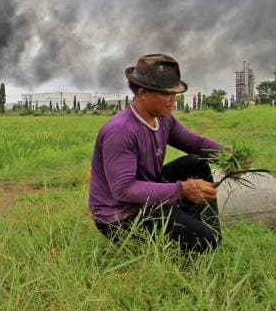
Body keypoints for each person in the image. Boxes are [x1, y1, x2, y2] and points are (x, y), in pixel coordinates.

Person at [88, 54, 225, 253]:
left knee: (195, 163)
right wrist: (181, 190)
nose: (173, 99)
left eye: (175, 93)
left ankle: (205, 228)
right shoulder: (121, 131)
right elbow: (124, 190)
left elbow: (195, 143)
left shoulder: (163, 119)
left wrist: (229, 157)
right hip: (120, 215)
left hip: (144, 196)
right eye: (166, 93)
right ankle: (201, 238)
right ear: (143, 93)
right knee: (206, 242)